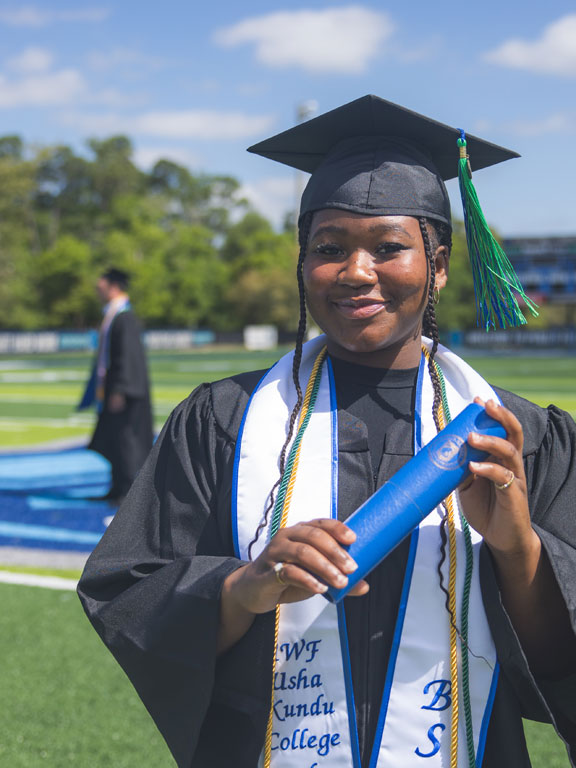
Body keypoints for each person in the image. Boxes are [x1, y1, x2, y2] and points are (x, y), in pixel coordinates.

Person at [78, 97, 576, 767]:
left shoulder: (514, 438)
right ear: (302, 262)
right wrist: (244, 586)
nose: (356, 271)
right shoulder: (222, 420)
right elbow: (129, 593)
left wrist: (517, 546)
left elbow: (558, 657)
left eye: (389, 247)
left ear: (440, 264)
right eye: (330, 248)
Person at [78, 267, 153, 504]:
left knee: (126, 440)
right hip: (112, 389)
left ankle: (128, 491)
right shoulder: (113, 315)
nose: (97, 289)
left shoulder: (124, 317)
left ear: (113, 286)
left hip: (124, 391)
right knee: (112, 439)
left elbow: (127, 357)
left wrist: (121, 389)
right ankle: (117, 485)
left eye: (101, 285)